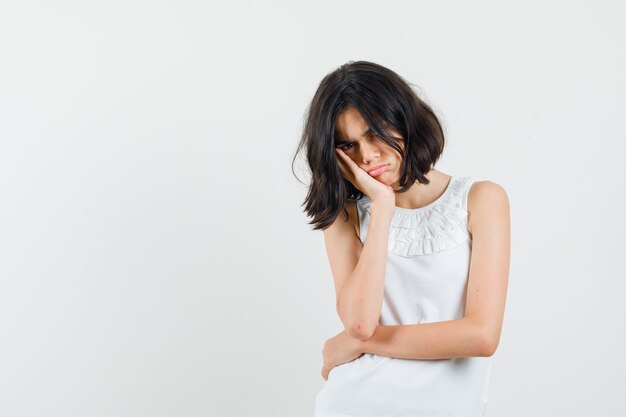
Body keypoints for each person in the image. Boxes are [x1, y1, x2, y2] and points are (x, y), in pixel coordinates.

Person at [292, 61, 510, 416]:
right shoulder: (346, 216)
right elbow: (361, 323)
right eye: (349, 145)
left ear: (404, 120)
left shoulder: (481, 199)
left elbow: (481, 337)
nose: (367, 156)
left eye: (375, 133)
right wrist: (382, 206)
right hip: (356, 403)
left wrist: (349, 344)